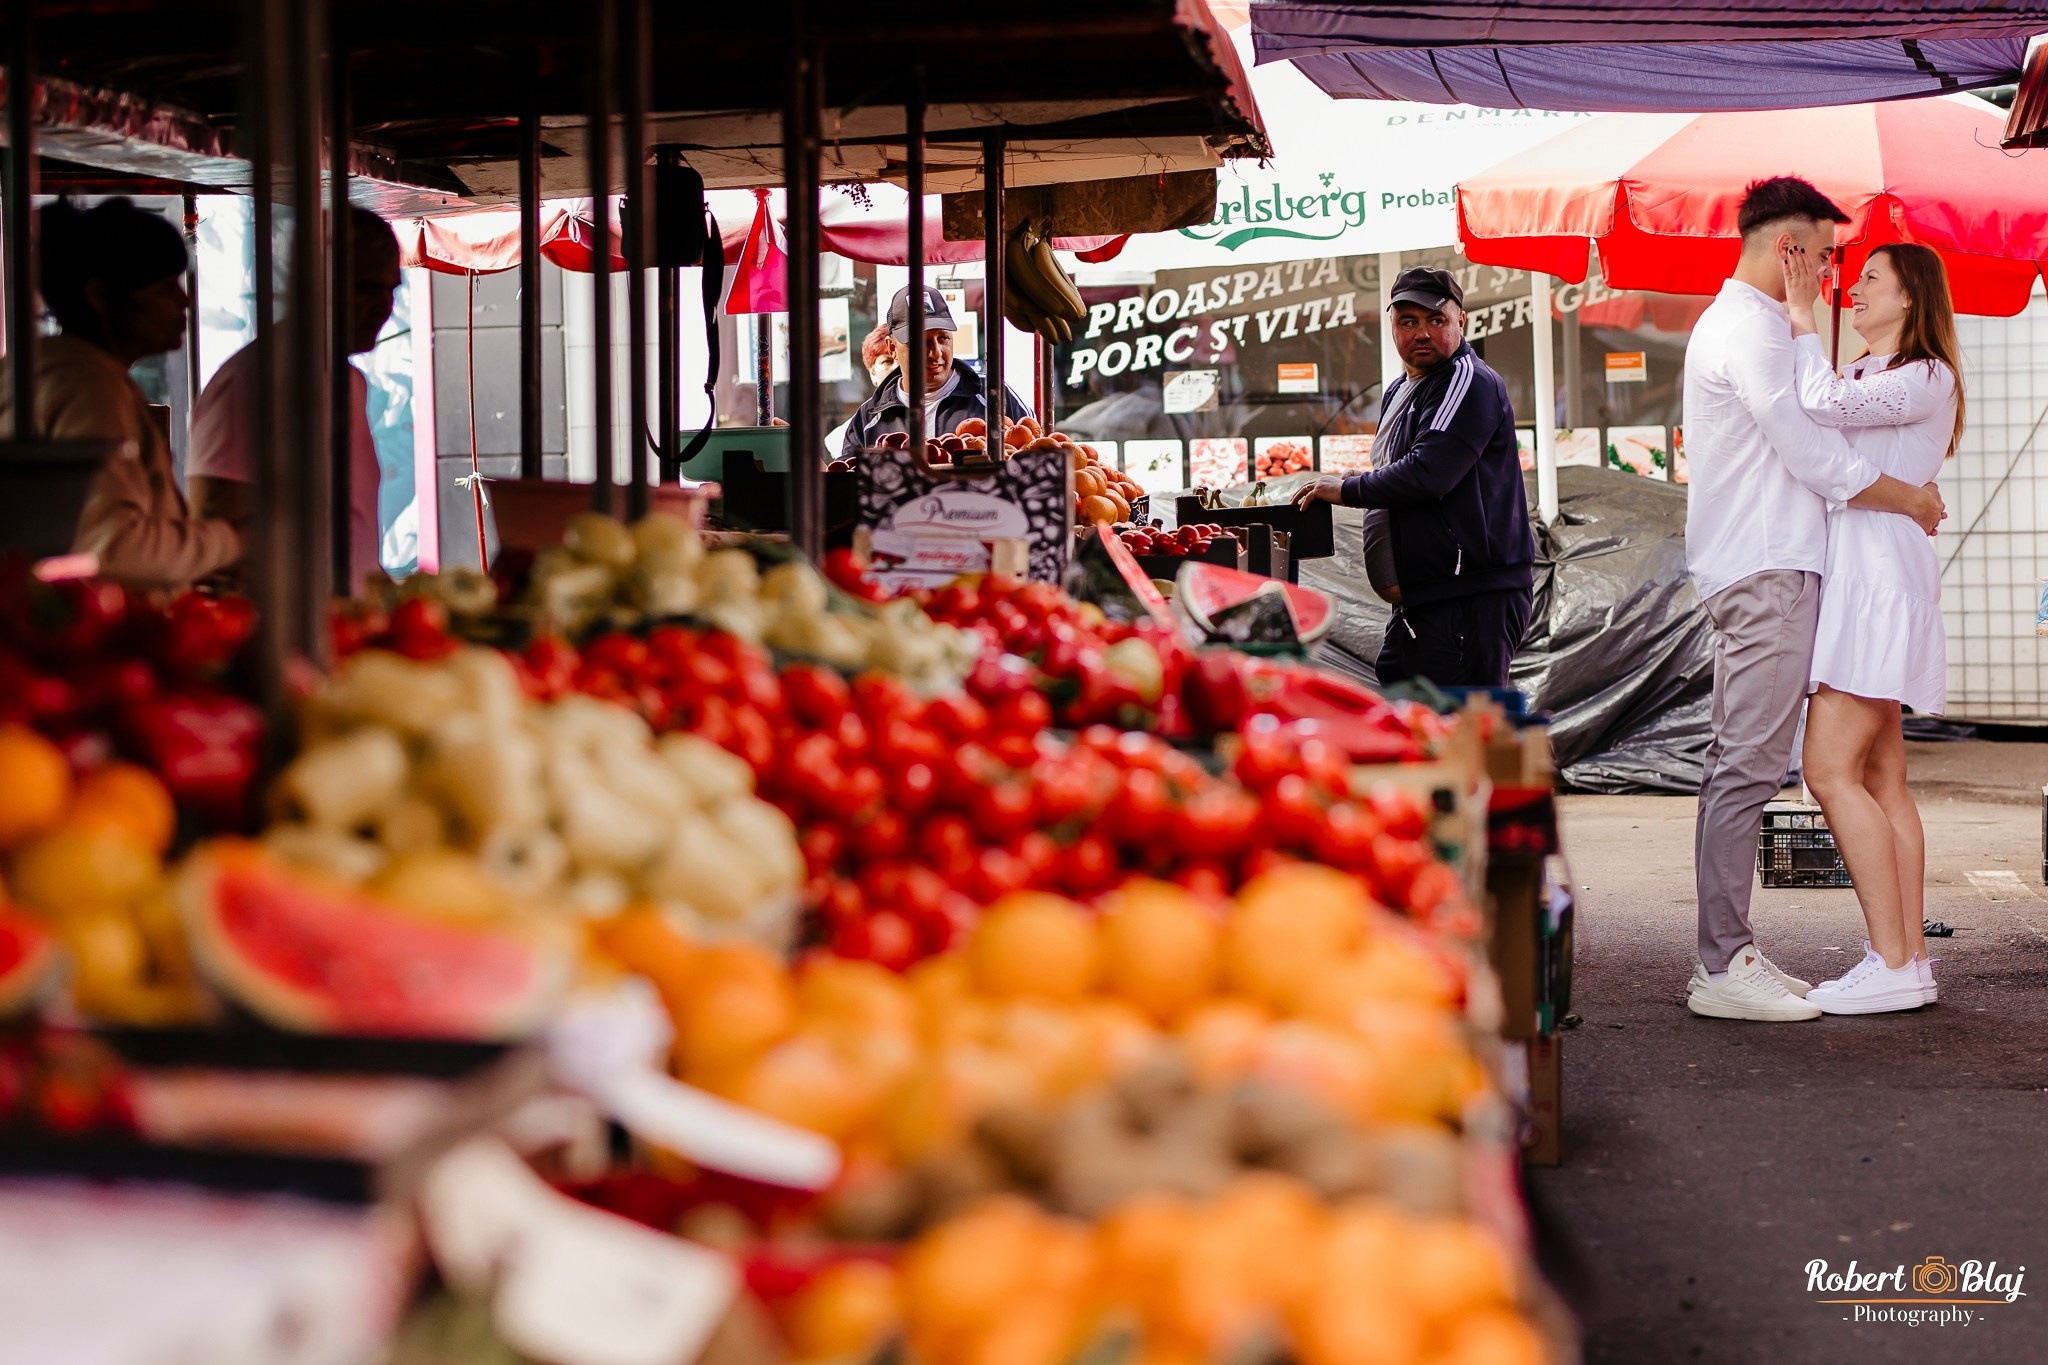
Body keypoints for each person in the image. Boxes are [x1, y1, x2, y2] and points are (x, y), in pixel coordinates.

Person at [1679, 177, 1946, 1024]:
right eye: (1830, 256)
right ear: (1789, 248)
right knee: (1755, 765)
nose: (1837, 276)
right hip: (1769, 569)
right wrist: (1908, 496)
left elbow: (1828, 425)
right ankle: (1724, 962)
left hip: (1809, 571)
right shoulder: (1750, 332)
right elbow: (1813, 452)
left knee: (1855, 770)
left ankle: (1888, 958)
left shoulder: (1769, 331)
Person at [1781, 243, 1962, 1015]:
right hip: (1867, 578)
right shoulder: (1867, 370)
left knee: (1827, 769)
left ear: (1911, 297)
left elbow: (1819, 407)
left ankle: (1891, 957)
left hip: (1878, 585)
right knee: (1883, 775)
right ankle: (1908, 958)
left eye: (1870, 280)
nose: (1853, 290)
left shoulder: (1926, 375)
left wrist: (1798, 311)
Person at [1293, 266, 1534, 688]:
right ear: (1391, 326)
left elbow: (1429, 473)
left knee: (1469, 733)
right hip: (1426, 599)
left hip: (1469, 597)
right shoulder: (1400, 390)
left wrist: (1346, 489)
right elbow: (1403, 468)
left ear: (1461, 321)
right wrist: (1365, 477)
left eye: (1435, 320)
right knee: (1420, 720)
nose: (1421, 332)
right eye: (1408, 321)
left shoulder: (1467, 381)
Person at [0, 198, 240, 592]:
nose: (184, 301)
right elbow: (113, 549)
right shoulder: (88, 385)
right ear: (100, 296)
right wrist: (232, 541)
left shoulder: (51, 369)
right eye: (163, 288)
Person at [187, 207, 403, 593]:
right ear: (313, 283)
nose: (385, 307)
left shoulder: (348, 382)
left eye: (392, 289)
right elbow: (219, 560)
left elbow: (348, 534)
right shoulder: (255, 381)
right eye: (367, 288)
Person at [839, 285, 1027, 458]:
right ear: (892, 347)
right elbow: (847, 485)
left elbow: (1036, 458)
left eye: (943, 338)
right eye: (920, 342)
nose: (935, 352)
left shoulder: (995, 395)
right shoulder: (868, 419)